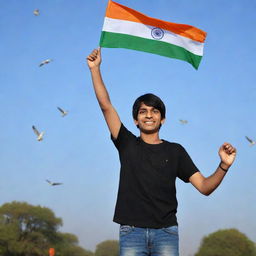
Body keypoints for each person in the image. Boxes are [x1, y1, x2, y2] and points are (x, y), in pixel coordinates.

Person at [86, 48, 237, 256]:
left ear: (162, 119)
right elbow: (106, 105)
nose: (149, 115)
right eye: (143, 111)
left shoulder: (176, 151)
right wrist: (95, 69)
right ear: (135, 120)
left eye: (155, 111)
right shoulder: (127, 143)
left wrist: (223, 166)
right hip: (132, 232)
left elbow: (204, 187)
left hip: (166, 233)